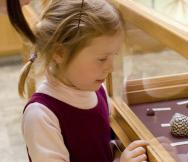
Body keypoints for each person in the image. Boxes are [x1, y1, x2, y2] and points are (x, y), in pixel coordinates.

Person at [6, 0, 149, 161]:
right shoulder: (41, 116)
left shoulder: (98, 90)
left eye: (114, 55)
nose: (111, 68)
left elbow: (101, 148)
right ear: (59, 52)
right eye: (102, 59)